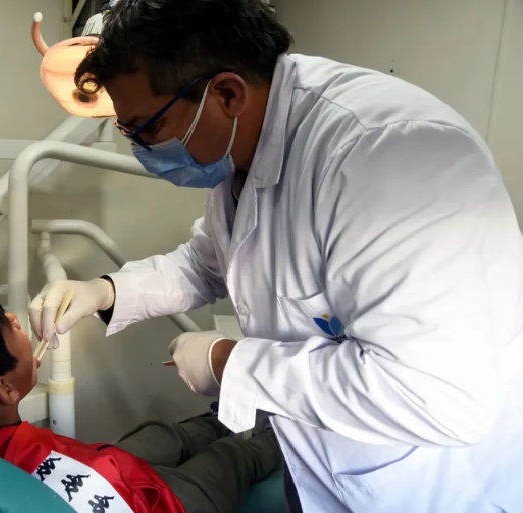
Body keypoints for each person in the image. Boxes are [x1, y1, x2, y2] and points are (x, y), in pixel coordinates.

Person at [28, 0, 523, 512]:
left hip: (429, 485)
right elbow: (207, 261)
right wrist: (105, 292)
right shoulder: (244, 148)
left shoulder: (390, 157)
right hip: (321, 457)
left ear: (226, 93)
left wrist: (230, 363)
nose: (141, 149)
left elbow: (435, 397)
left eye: (147, 128)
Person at [0, 286, 280, 513]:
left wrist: (103, 290)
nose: (15, 318)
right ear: (5, 389)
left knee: (164, 436)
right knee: (230, 456)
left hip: (99, 467)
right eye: (7, 326)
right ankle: (278, 431)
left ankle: (224, 417)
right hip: (157, 501)